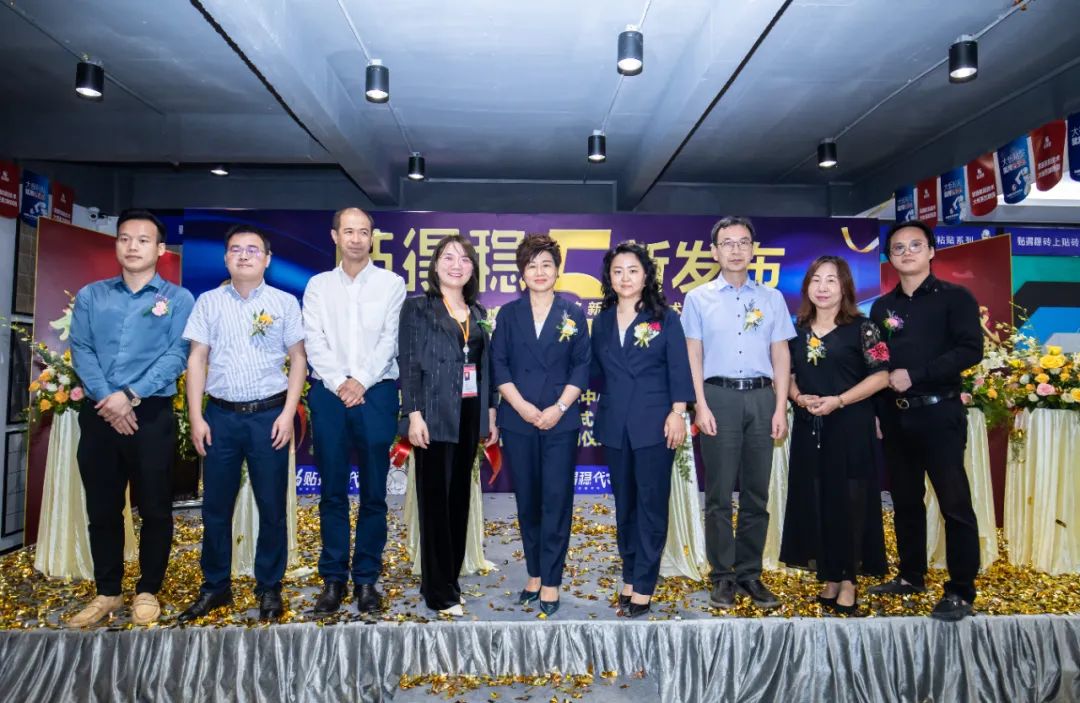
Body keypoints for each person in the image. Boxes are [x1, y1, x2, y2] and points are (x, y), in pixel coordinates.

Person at [66, 209, 194, 627]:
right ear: (117, 244)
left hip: (151, 413)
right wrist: (109, 398)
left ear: (160, 249)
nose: (132, 246)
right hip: (100, 413)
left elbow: (178, 354)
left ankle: (148, 589)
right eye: (125, 238)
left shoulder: (178, 299)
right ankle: (107, 591)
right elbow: (82, 349)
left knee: (155, 507)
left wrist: (130, 395)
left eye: (142, 240)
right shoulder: (92, 296)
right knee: (102, 508)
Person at [178, 224, 307, 623]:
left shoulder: (284, 302)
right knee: (216, 507)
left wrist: (288, 413)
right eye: (236, 249)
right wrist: (196, 415)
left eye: (253, 250)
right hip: (220, 417)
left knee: (271, 506)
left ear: (267, 259)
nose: (245, 255)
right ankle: (215, 586)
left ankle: (269, 586)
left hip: (269, 416)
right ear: (226, 258)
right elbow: (197, 358)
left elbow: (299, 359)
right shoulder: (208, 302)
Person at [868, 220, 982, 621]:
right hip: (895, 417)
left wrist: (916, 375)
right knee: (905, 501)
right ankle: (910, 575)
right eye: (898, 248)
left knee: (954, 503)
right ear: (890, 257)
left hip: (939, 411)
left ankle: (961, 589)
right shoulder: (882, 307)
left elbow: (971, 349)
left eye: (915, 245)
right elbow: (878, 361)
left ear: (931, 251)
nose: (907, 253)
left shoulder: (955, 298)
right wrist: (878, 410)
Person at [683, 215, 795, 610]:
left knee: (756, 493)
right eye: (727, 243)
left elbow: (781, 354)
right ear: (714, 252)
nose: (736, 249)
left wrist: (780, 407)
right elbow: (693, 355)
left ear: (752, 249)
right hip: (719, 397)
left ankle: (750, 573)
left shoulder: (772, 298)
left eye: (743, 242)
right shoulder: (698, 298)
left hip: (762, 398)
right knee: (718, 493)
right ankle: (722, 576)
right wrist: (700, 404)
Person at [303, 208, 406, 615]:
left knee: (374, 492)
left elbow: (390, 339)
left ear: (372, 237)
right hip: (329, 394)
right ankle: (333, 579)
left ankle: (366, 578)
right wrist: (339, 382)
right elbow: (313, 340)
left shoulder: (391, 283)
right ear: (335, 237)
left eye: (364, 232)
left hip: (376, 392)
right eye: (349, 231)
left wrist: (359, 381)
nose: (357, 239)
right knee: (332, 491)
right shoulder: (318, 285)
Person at [779, 256, 889, 615]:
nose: (823, 287)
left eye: (831, 280)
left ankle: (849, 580)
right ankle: (829, 574)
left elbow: (881, 376)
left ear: (844, 287)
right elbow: (787, 375)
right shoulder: (796, 328)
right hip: (810, 426)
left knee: (851, 501)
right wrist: (798, 397)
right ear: (807, 287)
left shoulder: (865, 327)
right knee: (817, 499)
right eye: (816, 280)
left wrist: (839, 400)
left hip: (851, 424)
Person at [397, 234, 499, 616]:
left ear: (473, 268)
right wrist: (413, 414)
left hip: (469, 416)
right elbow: (408, 364)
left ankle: (449, 582)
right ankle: (438, 592)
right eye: (449, 257)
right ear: (436, 265)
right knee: (435, 504)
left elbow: (485, 368)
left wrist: (490, 413)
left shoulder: (478, 311)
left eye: (465, 259)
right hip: (433, 415)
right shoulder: (418, 308)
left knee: (459, 501)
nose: (457, 265)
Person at [591, 241, 694, 618]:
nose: (625, 277)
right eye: (617, 271)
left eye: (633, 270)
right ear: (609, 277)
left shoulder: (664, 317)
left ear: (646, 275)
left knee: (651, 506)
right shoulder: (602, 320)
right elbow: (594, 372)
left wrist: (678, 412)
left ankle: (645, 584)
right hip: (615, 424)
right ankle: (630, 574)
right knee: (625, 506)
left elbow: (678, 367)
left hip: (655, 423)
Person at [491, 234, 590, 617]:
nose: (539, 271)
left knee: (556, 501)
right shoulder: (508, 315)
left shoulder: (573, 313)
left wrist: (559, 407)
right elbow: (499, 364)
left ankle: (552, 580)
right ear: (522, 273)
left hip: (559, 422)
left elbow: (582, 365)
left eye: (546, 264)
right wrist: (521, 407)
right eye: (531, 265)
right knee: (528, 500)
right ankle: (534, 573)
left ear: (557, 270)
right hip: (519, 421)